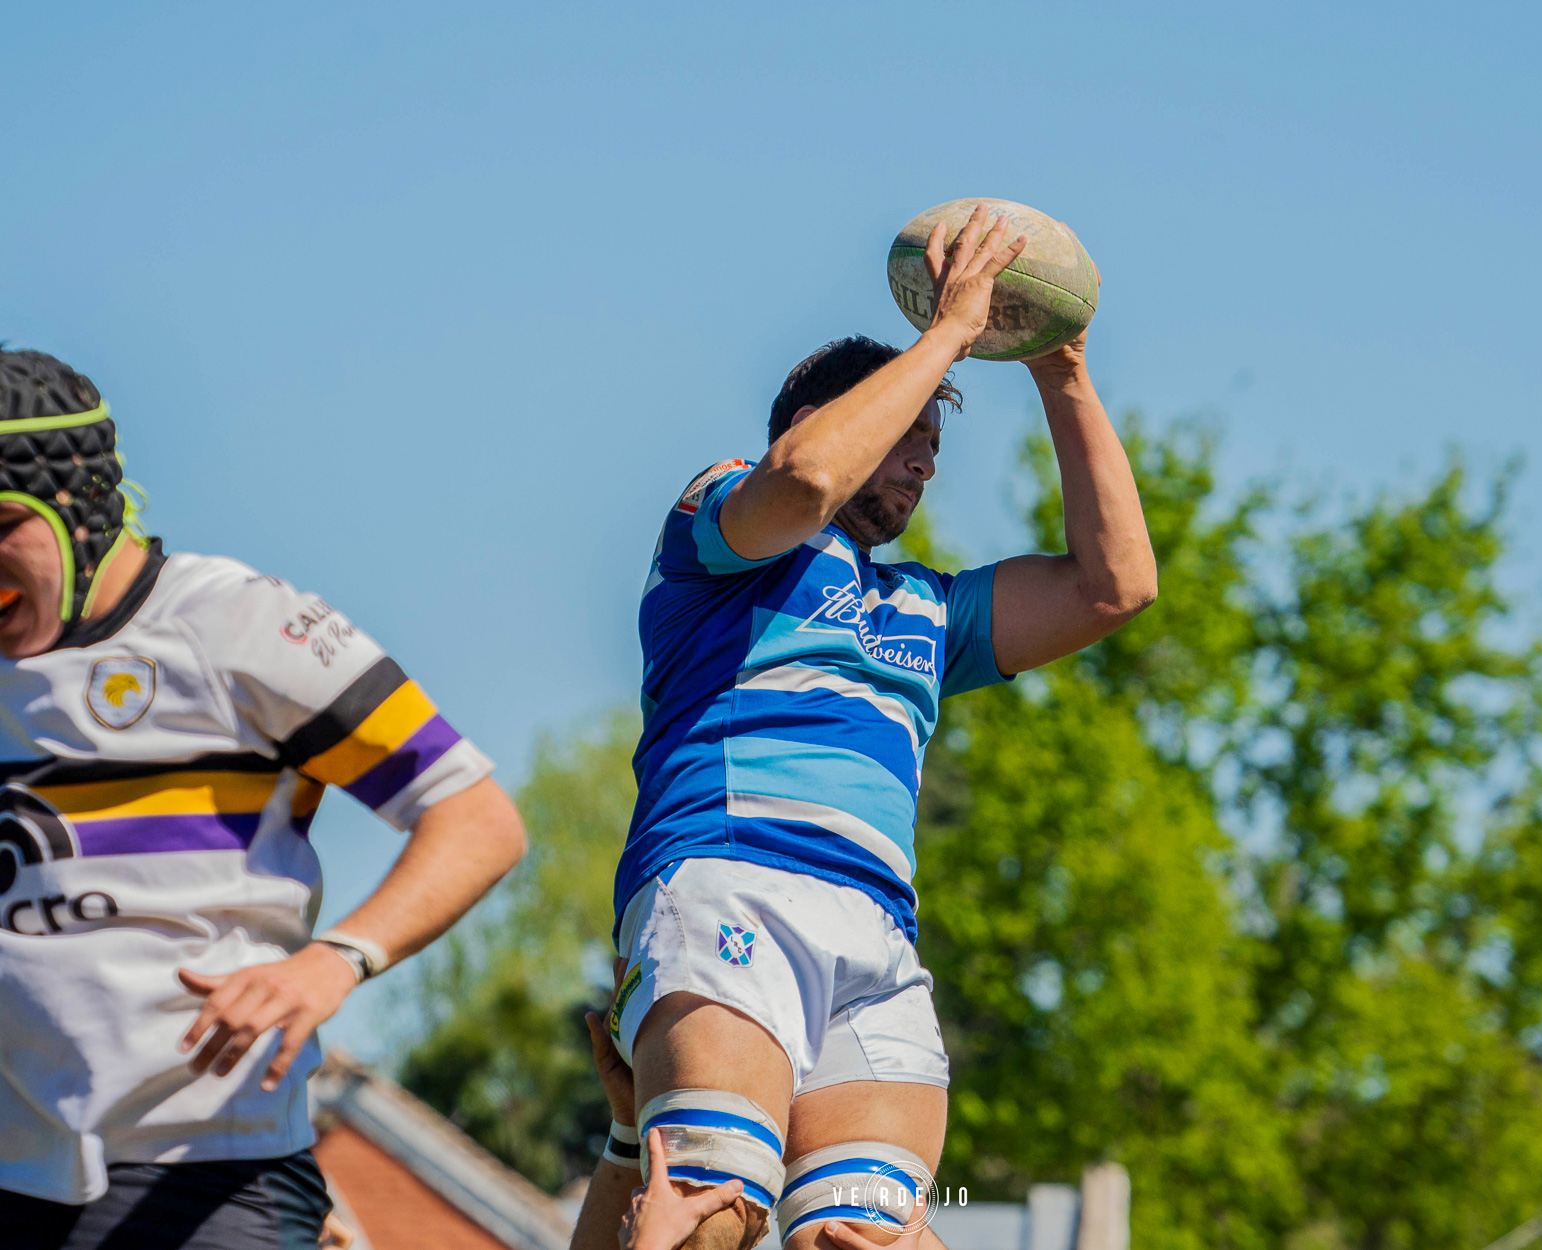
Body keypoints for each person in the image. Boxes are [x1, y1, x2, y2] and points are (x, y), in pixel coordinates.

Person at [573, 206, 1157, 1249]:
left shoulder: (927, 611)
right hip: (731, 879)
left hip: (879, 935)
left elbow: (1115, 587)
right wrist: (946, 336)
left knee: (869, 1239)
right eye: (908, 432)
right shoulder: (721, 528)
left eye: (936, 443)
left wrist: (1060, 366)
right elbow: (804, 480)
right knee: (714, 1209)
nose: (925, 460)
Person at [0, 350, 529, 1249]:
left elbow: (475, 816)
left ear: (79, 504)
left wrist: (332, 964)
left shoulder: (238, 625)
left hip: (211, 1171)